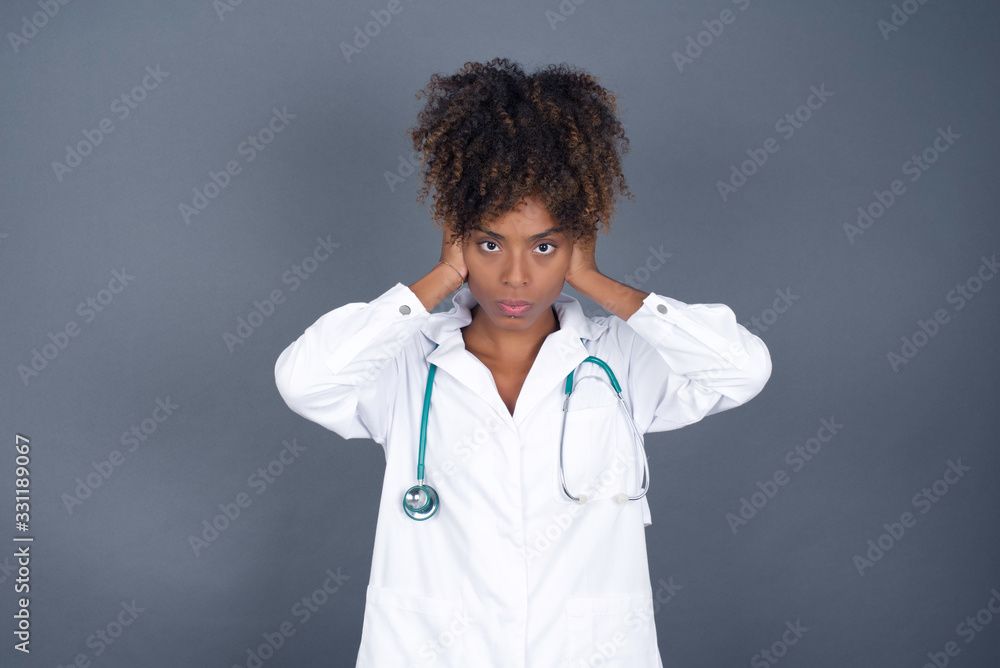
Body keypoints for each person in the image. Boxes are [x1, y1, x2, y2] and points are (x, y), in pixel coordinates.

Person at [273, 57, 772, 668]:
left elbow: (742, 368)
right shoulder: (406, 363)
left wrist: (595, 281)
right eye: (489, 244)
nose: (515, 275)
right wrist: (440, 278)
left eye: (545, 246)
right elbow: (304, 381)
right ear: (457, 237)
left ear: (576, 242)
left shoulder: (618, 361)